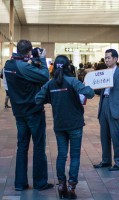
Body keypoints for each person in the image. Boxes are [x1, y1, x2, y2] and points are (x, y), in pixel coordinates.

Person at [35, 55, 95, 199]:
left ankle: (61, 185)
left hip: (59, 124)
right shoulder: (73, 81)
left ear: (55, 67)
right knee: (75, 156)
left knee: (61, 155)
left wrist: (52, 99)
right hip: (75, 124)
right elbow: (90, 93)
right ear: (69, 66)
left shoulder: (51, 83)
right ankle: (71, 187)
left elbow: (38, 99)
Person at [4, 40, 53, 191]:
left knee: (22, 147)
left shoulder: (8, 65)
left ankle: (20, 183)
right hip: (33, 112)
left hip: (19, 112)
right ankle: (40, 183)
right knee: (39, 147)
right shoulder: (23, 66)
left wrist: (34, 61)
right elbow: (45, 76)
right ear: (28, 52)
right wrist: (43, 60)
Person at [93, 49, 119, 171]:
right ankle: (106, 161)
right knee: (104, 135)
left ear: (115, 59)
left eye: (109, 58)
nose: (106, 60)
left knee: (116, 136)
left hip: (116, 107)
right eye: (105, 58)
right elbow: (99, 90)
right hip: (104, 104)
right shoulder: (103, 73)